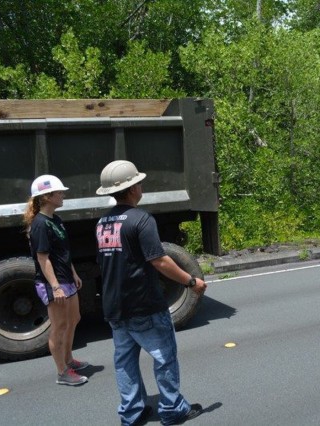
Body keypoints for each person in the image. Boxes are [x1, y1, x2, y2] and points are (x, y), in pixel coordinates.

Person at [94, 160, 207, 426]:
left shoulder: (102, 223)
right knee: (164, 357)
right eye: (139, 183)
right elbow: (160, 261)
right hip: (143, 304)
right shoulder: (141, 219)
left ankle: (132, 413)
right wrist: (192, 282)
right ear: (133, 188)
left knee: (125, 361)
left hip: (114, 305)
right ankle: (172, 410)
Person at [24, 175, 89, 385]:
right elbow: (43, 259)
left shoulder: (56, 220)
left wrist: (74, 274)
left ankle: (69, 359)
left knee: (74, 319)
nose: (63, 195)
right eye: (59, 192)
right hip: (54, 283)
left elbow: (62, 252)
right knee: (59, 326)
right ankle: (62, 373)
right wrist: (55, 287)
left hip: (66, 278)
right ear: (47, 197)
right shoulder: (40, 224)